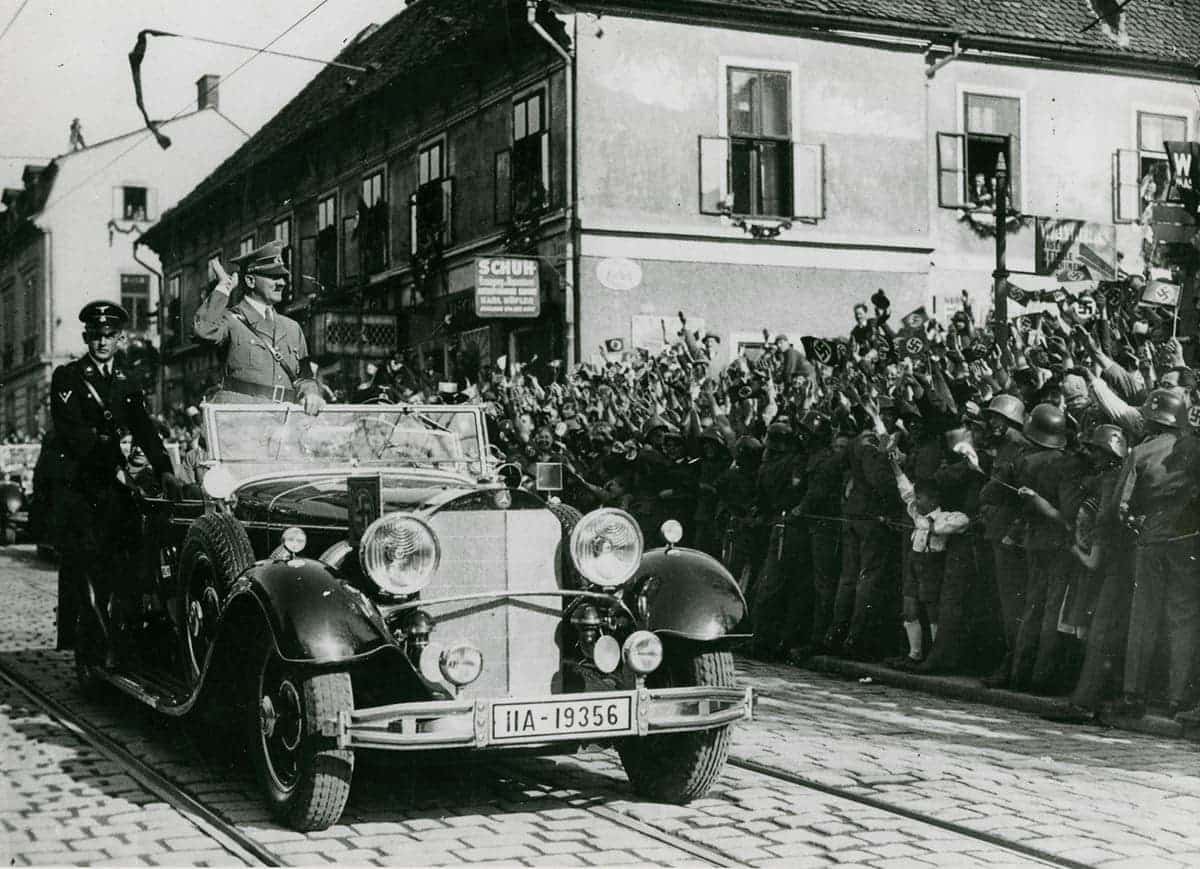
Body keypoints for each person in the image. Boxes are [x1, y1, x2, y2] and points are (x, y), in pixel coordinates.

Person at [50, 301, 175, 666]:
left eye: (109, 336)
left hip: (116, 489)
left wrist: (164, 468)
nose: (103, 342)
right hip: (83, 488)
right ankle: (92, 646)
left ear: (119, 339)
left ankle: (125, 639)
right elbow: (73, 433)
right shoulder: (69, 377)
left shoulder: (126, 380)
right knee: (89, 567)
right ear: (88, 337)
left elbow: (144, 428)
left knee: (127, 565)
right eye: (96, 336)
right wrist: (113, 465)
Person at [1114, 389, 1200, 719]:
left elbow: (1119, 508)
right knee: (1183, 617)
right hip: (1188, 539)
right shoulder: (1194, 448)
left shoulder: (1139, 452)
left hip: (1150, 538)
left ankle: (1133, 694)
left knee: (1144, 617)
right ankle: (1177, 698)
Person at [193, 240, 325, 415]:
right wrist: (223, 289)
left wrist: (311, 392)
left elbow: (304, 377)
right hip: (241, 424)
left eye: (283, 277)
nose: (282, 283)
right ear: (250, 280)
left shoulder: (292, 328)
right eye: (273, 276)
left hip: (283, 423)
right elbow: (202, 331)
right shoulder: (231, 320)